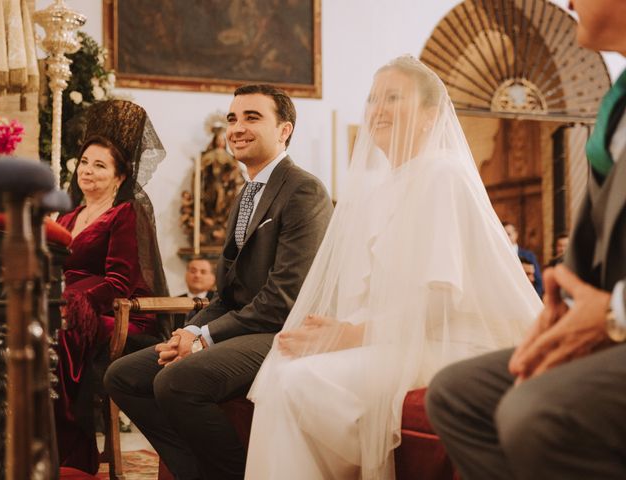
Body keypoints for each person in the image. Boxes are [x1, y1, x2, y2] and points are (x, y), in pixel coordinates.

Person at [244, 56, 541, 480]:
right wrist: (336, 328)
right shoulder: (381, 190)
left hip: (451, 342)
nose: (377, 109)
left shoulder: (443, 174)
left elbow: (437, 300)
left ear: (429, 116)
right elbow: (375, 294)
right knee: (281, 369)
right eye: (372, 99)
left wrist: (349, 337)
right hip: (397, 338)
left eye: (393, 98)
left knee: (298, 384)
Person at [426, 1, 626, 478]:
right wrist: (562, 310)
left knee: (535, 412)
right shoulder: (616, 104)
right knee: (457, 394)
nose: (569, 3)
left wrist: (617, 312)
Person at [104, 84, 333, 480]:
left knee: (177, 380)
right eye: (232, 118)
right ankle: (193, 471)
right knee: (122, 375)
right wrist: (190, 329)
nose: (237, 127)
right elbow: (224, 293)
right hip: (242, 326)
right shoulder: (247, 193)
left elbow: (283, 298)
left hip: (282, 331)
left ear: (284, 130)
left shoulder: (303, 189)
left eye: (252, 117)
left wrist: (204, 338)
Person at [55, 99, 168, 474]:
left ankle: (73, 453)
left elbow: (119, 281)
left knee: (62, 331)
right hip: (68, 304)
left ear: (120, 176)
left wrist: (75, 302)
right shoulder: (68, 216)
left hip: (117, 313)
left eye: (100, 165)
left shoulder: (125, 213)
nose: (88, 171)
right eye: (85, 162)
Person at [174, 258, 217, 329]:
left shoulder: (218, 301)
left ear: (213, 278)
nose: (197, 275)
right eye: (193, 271)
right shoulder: (175, 301)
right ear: (186, 275)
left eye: (203, 272)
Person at [503, 221, 544, 296]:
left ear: (516, 234)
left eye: (508, 234)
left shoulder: (529, 255)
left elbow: (538, 281)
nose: (506, 237)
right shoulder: (500, 255)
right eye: (503, 234)